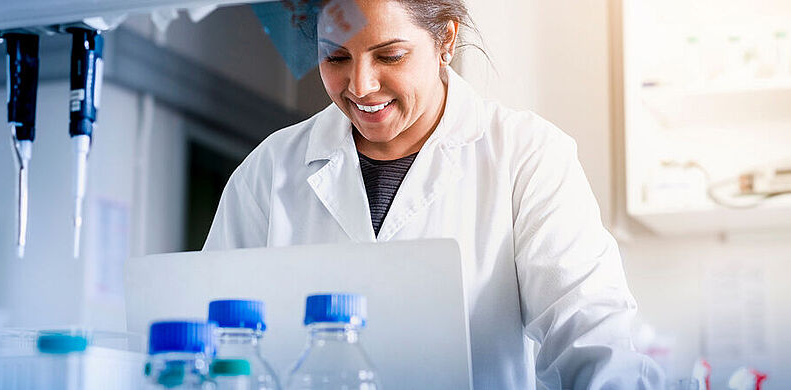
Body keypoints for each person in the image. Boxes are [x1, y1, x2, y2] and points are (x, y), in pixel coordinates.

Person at [204, 0, 664, 388]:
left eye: (390, 56)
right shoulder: (270, 170)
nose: (361, 85)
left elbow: (590, 335)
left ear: (445, 40)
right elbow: (211, 337)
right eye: (336, 58)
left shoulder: (526, 155)